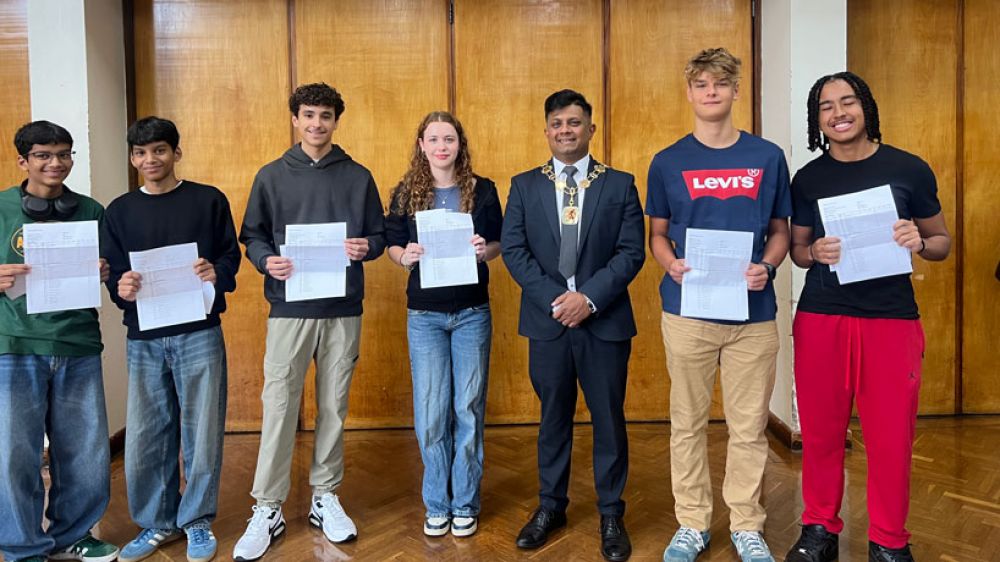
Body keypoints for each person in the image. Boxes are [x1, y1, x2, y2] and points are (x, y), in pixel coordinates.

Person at [785, 71, 950, 562]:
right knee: (820, 433)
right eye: (826, 107)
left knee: (891, 437)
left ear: (866, 108)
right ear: (817, 120)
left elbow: (941, 242)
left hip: (891, 321)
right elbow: (797, 250)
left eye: (848, 102)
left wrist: (920, 242)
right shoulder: (808, 178)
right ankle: (819, 529)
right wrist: (813, 249)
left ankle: (889, 540)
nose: (838, 113)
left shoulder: (910, 169)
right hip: (822, 317)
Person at [646, 48, 791, 562]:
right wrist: (670, 264)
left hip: (753, 318)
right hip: (688, 314)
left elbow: (780, 231)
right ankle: (692, 523)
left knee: (749, 425)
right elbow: (657, 235)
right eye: (702, 84)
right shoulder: (668, 161)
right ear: (689, 93)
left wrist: (768, 267)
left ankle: (747, 524)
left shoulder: (768, 156)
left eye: (721, 84)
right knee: (686, 422)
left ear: (734, 92)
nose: (711, 92)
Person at [234, 83, 386, 561]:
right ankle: (268, 507)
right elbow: (252, 236)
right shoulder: (272, 175)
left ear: (336, 121)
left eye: (325, 115)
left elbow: (379, 235)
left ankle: (325, 496)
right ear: (295, 120)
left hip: (342, 309)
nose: (316, 124)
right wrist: (265, 261)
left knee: (334, 406)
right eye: (308, 115)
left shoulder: (358, 176)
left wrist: (367, 247)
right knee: (279, 404)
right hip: (290, 308)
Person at [502, 89, 645, 562]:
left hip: (603, 323)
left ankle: (610, 512)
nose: (566, 130)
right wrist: (558, 302)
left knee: (608, 419)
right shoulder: (523, 185)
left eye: (575, 122)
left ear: (590, 129)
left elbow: (631, 253)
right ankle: (551, 507)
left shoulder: (620, 184)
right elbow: (516, 252)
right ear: (547, 131)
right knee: (552, 419)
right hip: (548, 324)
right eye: (557, 123)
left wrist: (588, 299)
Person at [100, 116, 241, 562]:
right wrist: (121, 289)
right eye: (140, 153)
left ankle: (196, 521)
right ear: (132, 158)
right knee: (146, 434)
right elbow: (116, 275)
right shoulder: (119, 211)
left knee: (201, 430)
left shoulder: (208, 199)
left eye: (159, 150)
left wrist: (216, 272)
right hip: (144, 337)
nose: (150, 160)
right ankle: (157, 523)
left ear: (175, 153)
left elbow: (230, 255)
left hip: (199, 331)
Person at [0, 121, 117, 562]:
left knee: (84, 449)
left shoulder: (91, 210)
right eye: (44, 155)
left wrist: (106, 273)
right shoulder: (1, 208)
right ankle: (22, 546)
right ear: (23, 161)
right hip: (15, 346)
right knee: (15, 452)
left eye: (64, 154)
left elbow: (114, 273)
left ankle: (73, 535)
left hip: (78, 343)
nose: (56, 163)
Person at [385, 111, 502, 538]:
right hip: (426, 316)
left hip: (472, 312)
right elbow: (393, 245)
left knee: (467, 409)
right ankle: (437, 502)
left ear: (459, 144)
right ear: (421, 145)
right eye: (433, 139)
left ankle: (465, 502)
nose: (441, 146)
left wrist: (482, 251)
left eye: (448, 139)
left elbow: (497, 243)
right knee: (432, 414)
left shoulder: (481, 190)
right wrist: (405, 257)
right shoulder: (406, 193)